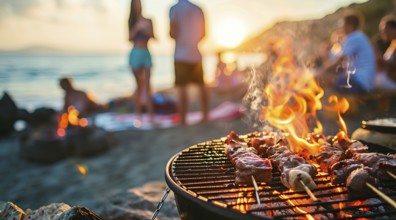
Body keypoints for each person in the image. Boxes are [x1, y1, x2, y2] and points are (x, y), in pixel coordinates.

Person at [169, 0, 209, 125]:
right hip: (195, 53)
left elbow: (172, 33)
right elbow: (204, 34)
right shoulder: (198, 9)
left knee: (182, 87)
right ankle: (205, 115)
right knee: (201, 84)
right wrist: (193, 40)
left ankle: (183, 119)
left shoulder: (174, 9)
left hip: (181, 54)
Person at [319, 12, 376, 94]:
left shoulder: (354, 37)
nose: (341, 27)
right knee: (328, 76)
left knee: (325, 79)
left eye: (342, 24)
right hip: (364, 82)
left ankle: (333, 104)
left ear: (350, 25)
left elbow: (339, 61)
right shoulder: (359, 36)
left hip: (360, 82)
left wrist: (321, 71)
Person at [128, 0, 155, 123]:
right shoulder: (131, 21)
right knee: (139, 86)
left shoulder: (148, 20)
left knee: (148, 85)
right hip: (135, 53)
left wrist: (146, 29)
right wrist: (137, 27)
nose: (137, 6)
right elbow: (129, 38)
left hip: (146, 53)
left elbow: (154, 37)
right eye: (135, 3)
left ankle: (150, 116)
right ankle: (138, 116)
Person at [374, 15, 396, 90]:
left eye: (384, 30)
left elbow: (393, 65)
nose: (383, 33)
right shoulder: (392, 45)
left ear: (393, 29)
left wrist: (381, 58)